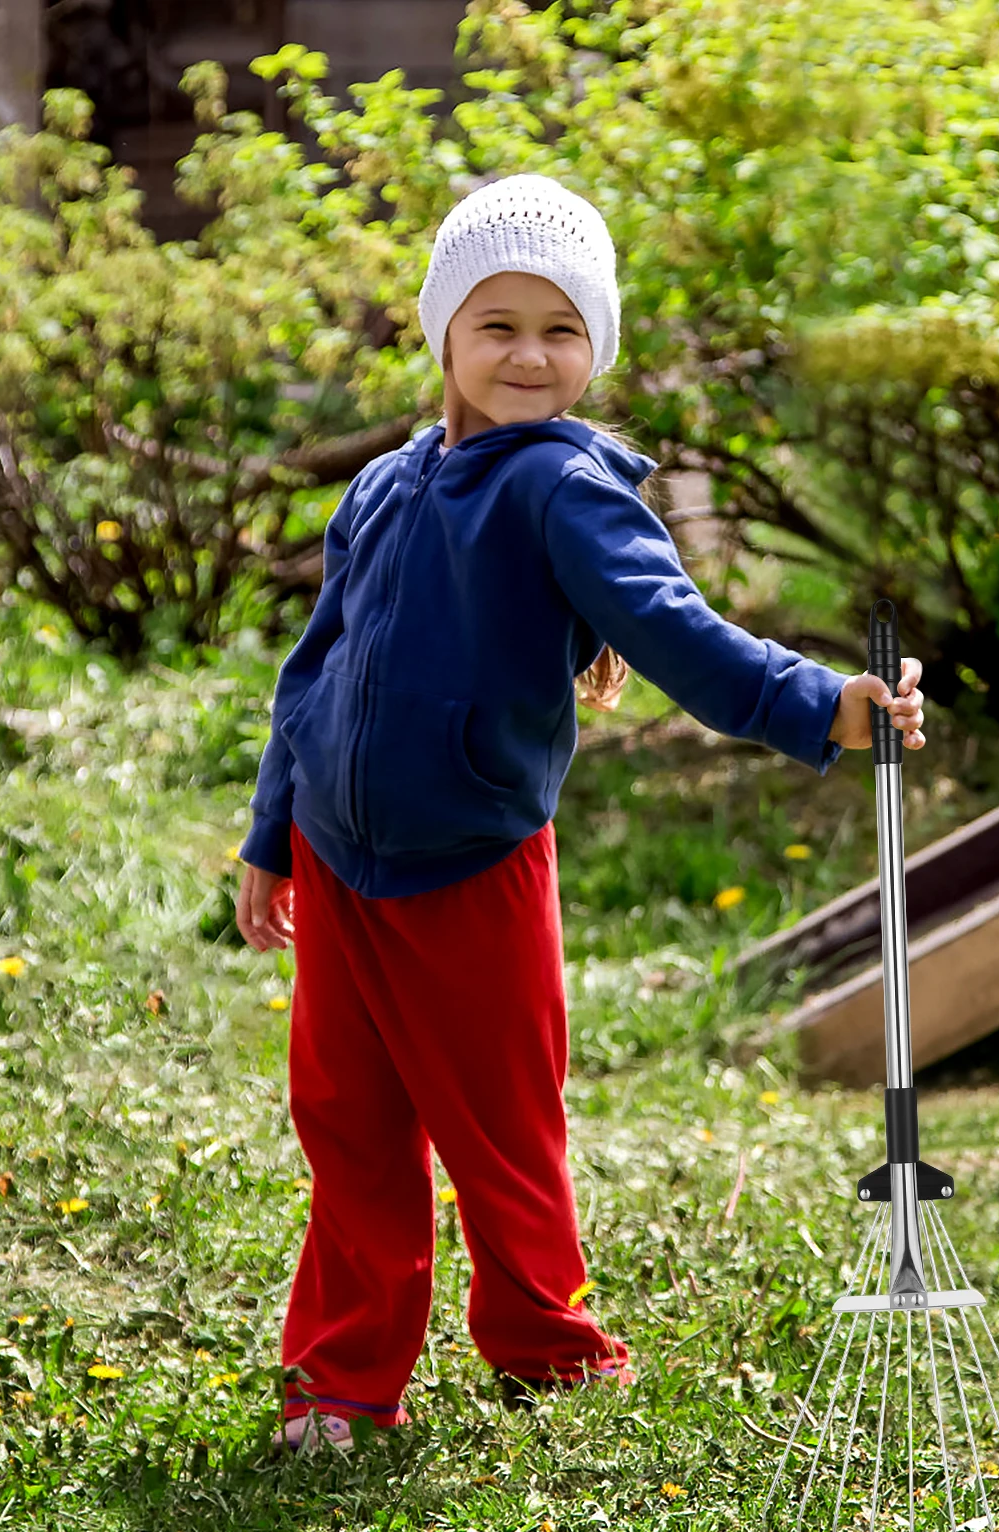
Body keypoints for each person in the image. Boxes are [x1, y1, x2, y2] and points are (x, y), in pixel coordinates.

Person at [235, 174, 925, 1454]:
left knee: (499, 1131)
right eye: (496, 324)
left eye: (562, 330)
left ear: (594, 348)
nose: (530, 355)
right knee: (350, 1128)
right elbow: (314, 669)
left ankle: (546, 1346)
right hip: (338, 865)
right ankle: (340, 1380)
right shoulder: (383, 486)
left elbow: (676, 633)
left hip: (472, 869)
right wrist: (273, 834)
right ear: (441, 330)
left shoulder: (563, 488)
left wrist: (820, 702)